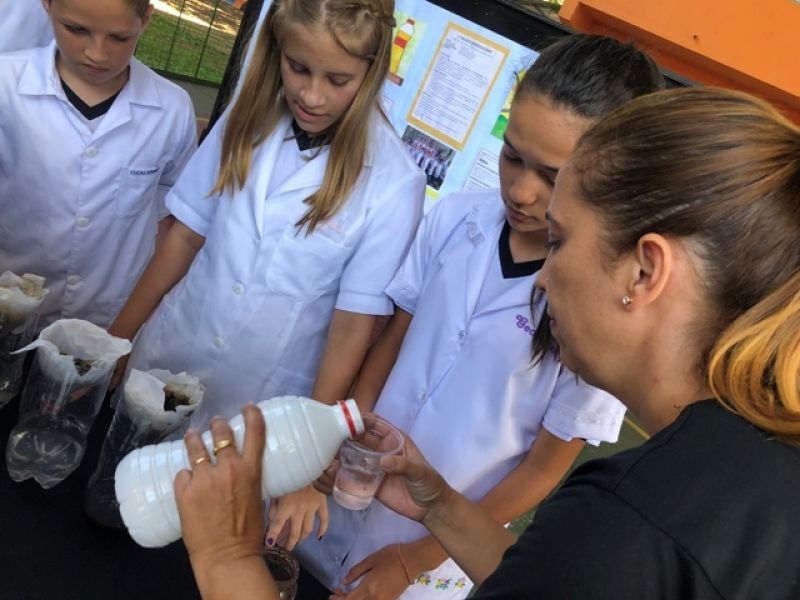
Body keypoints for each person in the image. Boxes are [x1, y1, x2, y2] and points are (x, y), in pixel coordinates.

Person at [174, 86, 800, 599]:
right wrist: (442, 507)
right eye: (512, 157)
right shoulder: (748, 481)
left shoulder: (620, 527)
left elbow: (571, 568)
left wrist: (226, 553)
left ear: (645, 271)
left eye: (560, 241)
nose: (543, 279)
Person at [295, 34, 664, 599]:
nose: (521, 191)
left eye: (553, 176)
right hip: (351, 495)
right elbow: (393, 339)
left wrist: (415, 558)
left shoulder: (607, 310)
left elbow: (542, 470)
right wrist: (350, 437)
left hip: (433, 553)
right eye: (511, 156)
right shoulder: (456, 219)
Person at [110, 0, 425, 552]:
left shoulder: (394, 182)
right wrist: (119, 338)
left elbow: (352, 328)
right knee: (122, 498)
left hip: (262, 406)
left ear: (372, 71)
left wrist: (308, 461)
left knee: (199, 544)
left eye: (337, 80)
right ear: (277, 50)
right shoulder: (248, 116)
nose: (311, 95)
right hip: (170, 357)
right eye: (298, 68)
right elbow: (183, 236)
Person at [0, 0, 197, 329]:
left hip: (106, 318)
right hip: (8, 304)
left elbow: (172, 205)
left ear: (146, 18)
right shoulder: (6, 85)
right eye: (76, 29)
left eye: (119, 38)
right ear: (47, 5)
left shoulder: (172, 109)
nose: (98, 54)